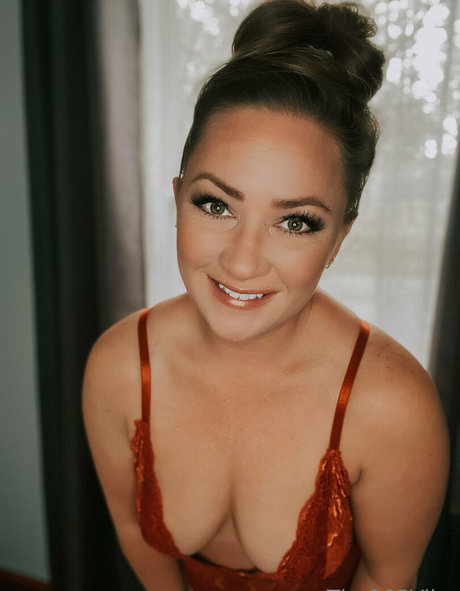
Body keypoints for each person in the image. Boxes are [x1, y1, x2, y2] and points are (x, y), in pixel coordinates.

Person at [82, 1, 449, 589]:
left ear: (340, 237)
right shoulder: (120, 368)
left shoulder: (392, 407)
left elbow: (387, 580)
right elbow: (133, 532)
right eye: (216, 204)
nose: (242, 261)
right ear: (178, 198)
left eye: (296, 221)